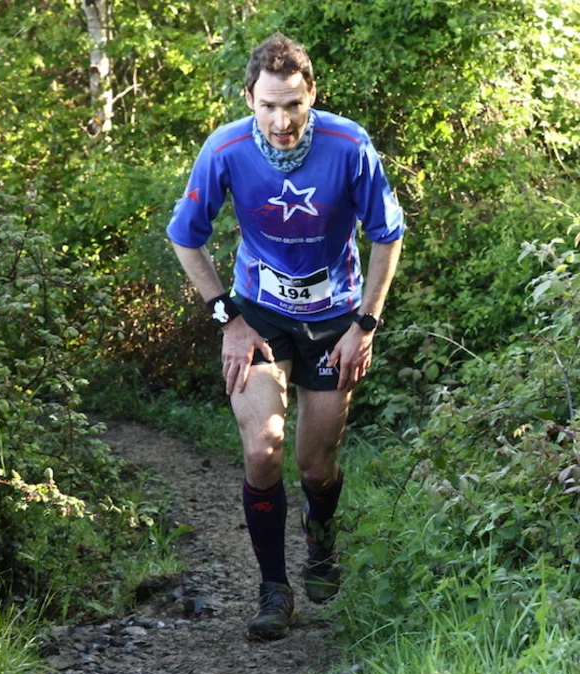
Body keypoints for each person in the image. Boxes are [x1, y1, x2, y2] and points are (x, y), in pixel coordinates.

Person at [166, 33, 404, 640]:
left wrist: (365, 324)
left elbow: (387, 235)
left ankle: (320, 536)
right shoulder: (224, 149)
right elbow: (185, 237)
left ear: (311, 95)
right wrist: (229, 320)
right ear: (249, 98)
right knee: (262, 449)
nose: (281, 121)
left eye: (293, 104)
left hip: (335, 319)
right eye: (269, 105)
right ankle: (275, 589)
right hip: (259, 315)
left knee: (316, 467)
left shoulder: (349, 145)